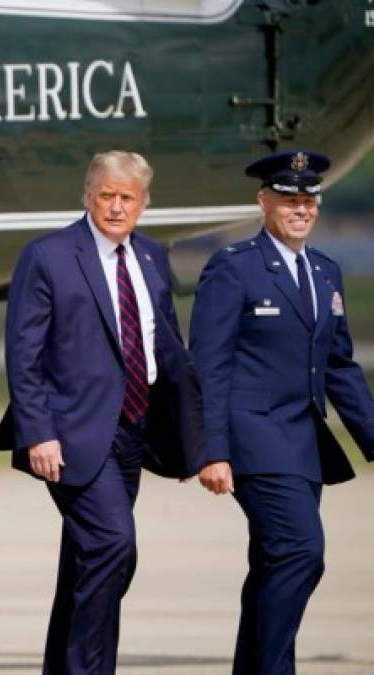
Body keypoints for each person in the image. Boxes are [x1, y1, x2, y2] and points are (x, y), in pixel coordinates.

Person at [0, 150, 204, 675]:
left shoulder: (151, 256)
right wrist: (38, 432)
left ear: (144, 204)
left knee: (89, 562)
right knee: (113, 545)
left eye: (127, 198)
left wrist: (190, 440)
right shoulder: (50, 255)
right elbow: (24, 354)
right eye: (106, 195)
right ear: (88, 196)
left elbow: (167, 351)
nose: (115, 206)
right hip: (71, 435)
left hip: (135, 430)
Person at [190, 150, 374, 675]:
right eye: (289, 200)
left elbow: (339, 366)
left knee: (274, 563)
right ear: (264, 201)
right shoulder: (234, 267)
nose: (300, 209)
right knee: (301, 552)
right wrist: (213, 449)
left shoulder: (324, 272)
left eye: (308, 200)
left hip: (303, 445)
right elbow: (209, 366)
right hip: (254, 441)